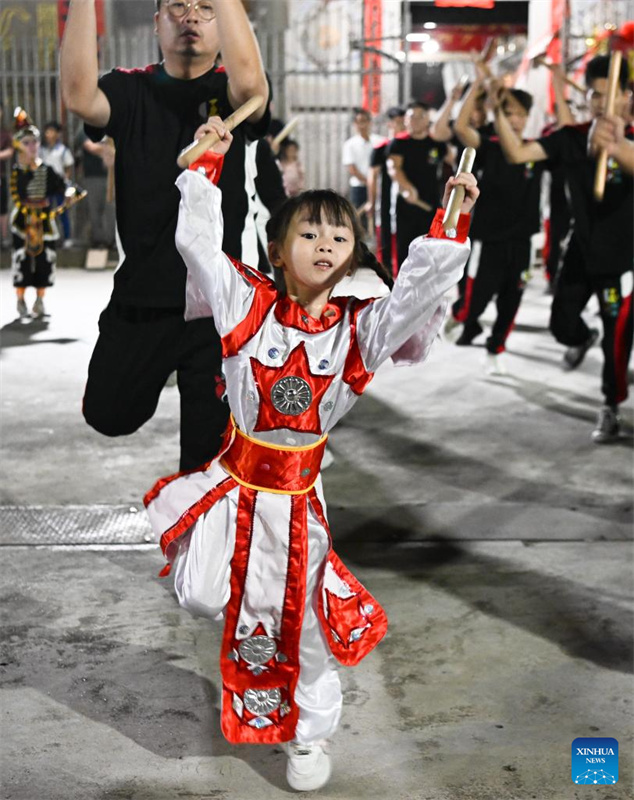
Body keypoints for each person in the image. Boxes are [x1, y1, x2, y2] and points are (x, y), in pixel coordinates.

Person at [144, 117, 478, 792]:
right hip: (234, 486)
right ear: (277, 245)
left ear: (353, 253)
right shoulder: (246, 302)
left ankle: (308, 735)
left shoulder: (362, 328)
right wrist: (203, 170)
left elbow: (414, 300)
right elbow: (199, 245)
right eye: (309, 231)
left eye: (339, 234)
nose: (325, 242)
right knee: (206, 594)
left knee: (304, 627)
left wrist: (448, 224)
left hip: (301, 503)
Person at [60, 0, 271, 471]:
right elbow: (78, 96)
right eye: (177, 6)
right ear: (157, 24)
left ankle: (203, 536)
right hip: (144, 294)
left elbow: (254, 86)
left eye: (205, 7)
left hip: (216, 306)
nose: (190, 16)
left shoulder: (231, 94)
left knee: (209, 457)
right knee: (107, 414)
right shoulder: (129, 88)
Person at [494, 54, 633, 443]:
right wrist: (497, 110)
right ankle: (579, 338)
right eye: (595, 95)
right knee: (562, 325)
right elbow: (519, 153)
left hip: (622, 262)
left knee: (617, 339)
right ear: (585, 97)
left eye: (610, 95)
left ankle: (611, 406)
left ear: (626, 97)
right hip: (580, 252)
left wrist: (617, 146)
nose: (602, 103)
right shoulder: (571, 138)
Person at [449, 83, 547, 374]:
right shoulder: (488, 145)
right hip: (488, 240)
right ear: (498, 114)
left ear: (528, 117)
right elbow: (461, 126)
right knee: (472, 303)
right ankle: (467, 322)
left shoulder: (535, 150)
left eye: (519, 114)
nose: (514, 119)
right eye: (508, 113)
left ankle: (495, 347)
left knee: (511, 300)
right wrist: (477, 88)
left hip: (522, 242)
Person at [9, 111, 84, 319]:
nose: (32, 147)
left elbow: (63, 185)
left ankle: (40, 300)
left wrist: (70, 192)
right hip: (23, 219)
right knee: (22, 259)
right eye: (27, 143)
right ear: (18, 146)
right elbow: (18, 195)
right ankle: (20, 298)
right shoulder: (18, 172)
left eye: (34, 142)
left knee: (45, 260)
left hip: (44, 217)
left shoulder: (47, 169)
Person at [387, 101, 449, 270]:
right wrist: (407, 187)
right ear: (405, 120)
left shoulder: (436, 143)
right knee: (405, 248)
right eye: (410, 117)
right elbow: (394, 168)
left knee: (431, 248)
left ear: (427, 118)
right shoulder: (399, 143)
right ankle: (402, 288)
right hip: (407, 204)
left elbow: (451, 162)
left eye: (419, 116)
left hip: (432, 204)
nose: (414, 120)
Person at [367, 106, 405, 277]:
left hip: (405, 203)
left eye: (403, 122)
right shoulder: (382, 147)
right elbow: (373, 176)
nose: (401, 126)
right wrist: (371, 200)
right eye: (397, 122)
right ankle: (387, 277)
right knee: (386, 241)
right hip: (386, 202)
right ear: (389, 124)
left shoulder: (410, 145)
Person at [74, 129, 115, 248]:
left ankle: (111, 240)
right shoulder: (85, 131)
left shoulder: (110, 130)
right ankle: (98, 241)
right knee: (94, 209)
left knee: (111, 209)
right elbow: (91, 147)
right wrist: (109, 149)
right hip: (93, 177)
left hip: (111, 176)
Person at [341, 108, 382, 219]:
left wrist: (374, 185)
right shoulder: (349, 144)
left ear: (370, 122)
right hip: (359, 187)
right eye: (359, 121)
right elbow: (352, 169)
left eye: (364, 121)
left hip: (379, 187)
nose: (362, 125)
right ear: (355, 124)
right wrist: (369, 183)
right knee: (359, 220)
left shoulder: (379, 141)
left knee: (378, 219)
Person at [40, 121, 75, 244]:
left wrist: (66, 181)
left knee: (62, 210)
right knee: (46, 211)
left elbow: (68, 167)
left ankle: (67, 237)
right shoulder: (41, 150)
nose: (48, 134)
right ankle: (47, 236)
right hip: (46, 184)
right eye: (47, 131)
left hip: (59, 184)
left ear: (57, 134)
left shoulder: (63, 150)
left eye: (51, 131)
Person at [0, 102, 13, 245]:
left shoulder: (5, 133)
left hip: (1, 175)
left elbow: (10, 151)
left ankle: (3, 238)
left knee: (2, 207)